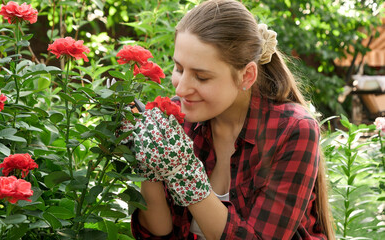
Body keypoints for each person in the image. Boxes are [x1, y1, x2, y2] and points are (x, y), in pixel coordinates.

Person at [128, 0, 335, 239]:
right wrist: (147, 167)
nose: (181, 89)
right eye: (179, 69)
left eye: (202, 77)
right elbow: (158, 234)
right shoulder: (177, 116)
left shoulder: (292, 130)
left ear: (247, 76)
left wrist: (185, 175)